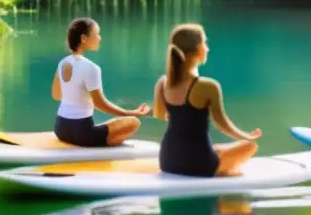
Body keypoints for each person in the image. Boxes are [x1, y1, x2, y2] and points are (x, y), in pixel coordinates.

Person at [153, 23, 261, 177]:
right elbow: (223, 124)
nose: (207, 48)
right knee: (249, 146)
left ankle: (221, 166)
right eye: (204, 43)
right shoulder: (208, 86)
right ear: (197, 49)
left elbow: (159, 114)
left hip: (167, 160)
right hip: (199, 164)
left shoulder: (162, 83)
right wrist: (247, 136)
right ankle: (224, 173)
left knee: (217, 149)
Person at [52, 18, 150, 147]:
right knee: (133, 122)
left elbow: (57, 95)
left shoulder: (62, 63)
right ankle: (101, 145)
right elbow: (101, 104)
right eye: (96, 34)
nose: (99, 38)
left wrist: (77, 96)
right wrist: (133, 112)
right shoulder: (91, 68)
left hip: (60, 128)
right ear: (84, 38)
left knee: (109, 125)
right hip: (82, 133)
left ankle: (98, 139)